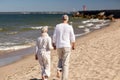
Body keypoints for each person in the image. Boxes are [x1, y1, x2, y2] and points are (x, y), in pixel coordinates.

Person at [53, 14, 75, 80]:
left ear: (62, 19)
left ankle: (59, 70)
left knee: (60, 59)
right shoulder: (69, 27)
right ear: (67, 19)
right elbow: (72, 37)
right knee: (65, 64)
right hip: (67, 46)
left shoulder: (57, 26)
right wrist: (73, 45)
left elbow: (54, 36)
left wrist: (54, 44)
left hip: (59, 46)